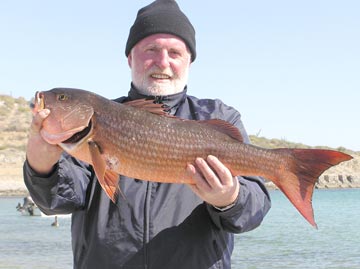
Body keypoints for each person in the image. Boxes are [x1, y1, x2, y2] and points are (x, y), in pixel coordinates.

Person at [23, 0, 271, 268]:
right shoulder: (90, 131)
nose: (162, 62)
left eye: (174, 53)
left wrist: (228, 198)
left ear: (189, 61)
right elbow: (58, 202)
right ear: (130, 57)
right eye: (151, 50)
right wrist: (41, 167)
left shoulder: (220, 116)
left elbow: (251, 213)